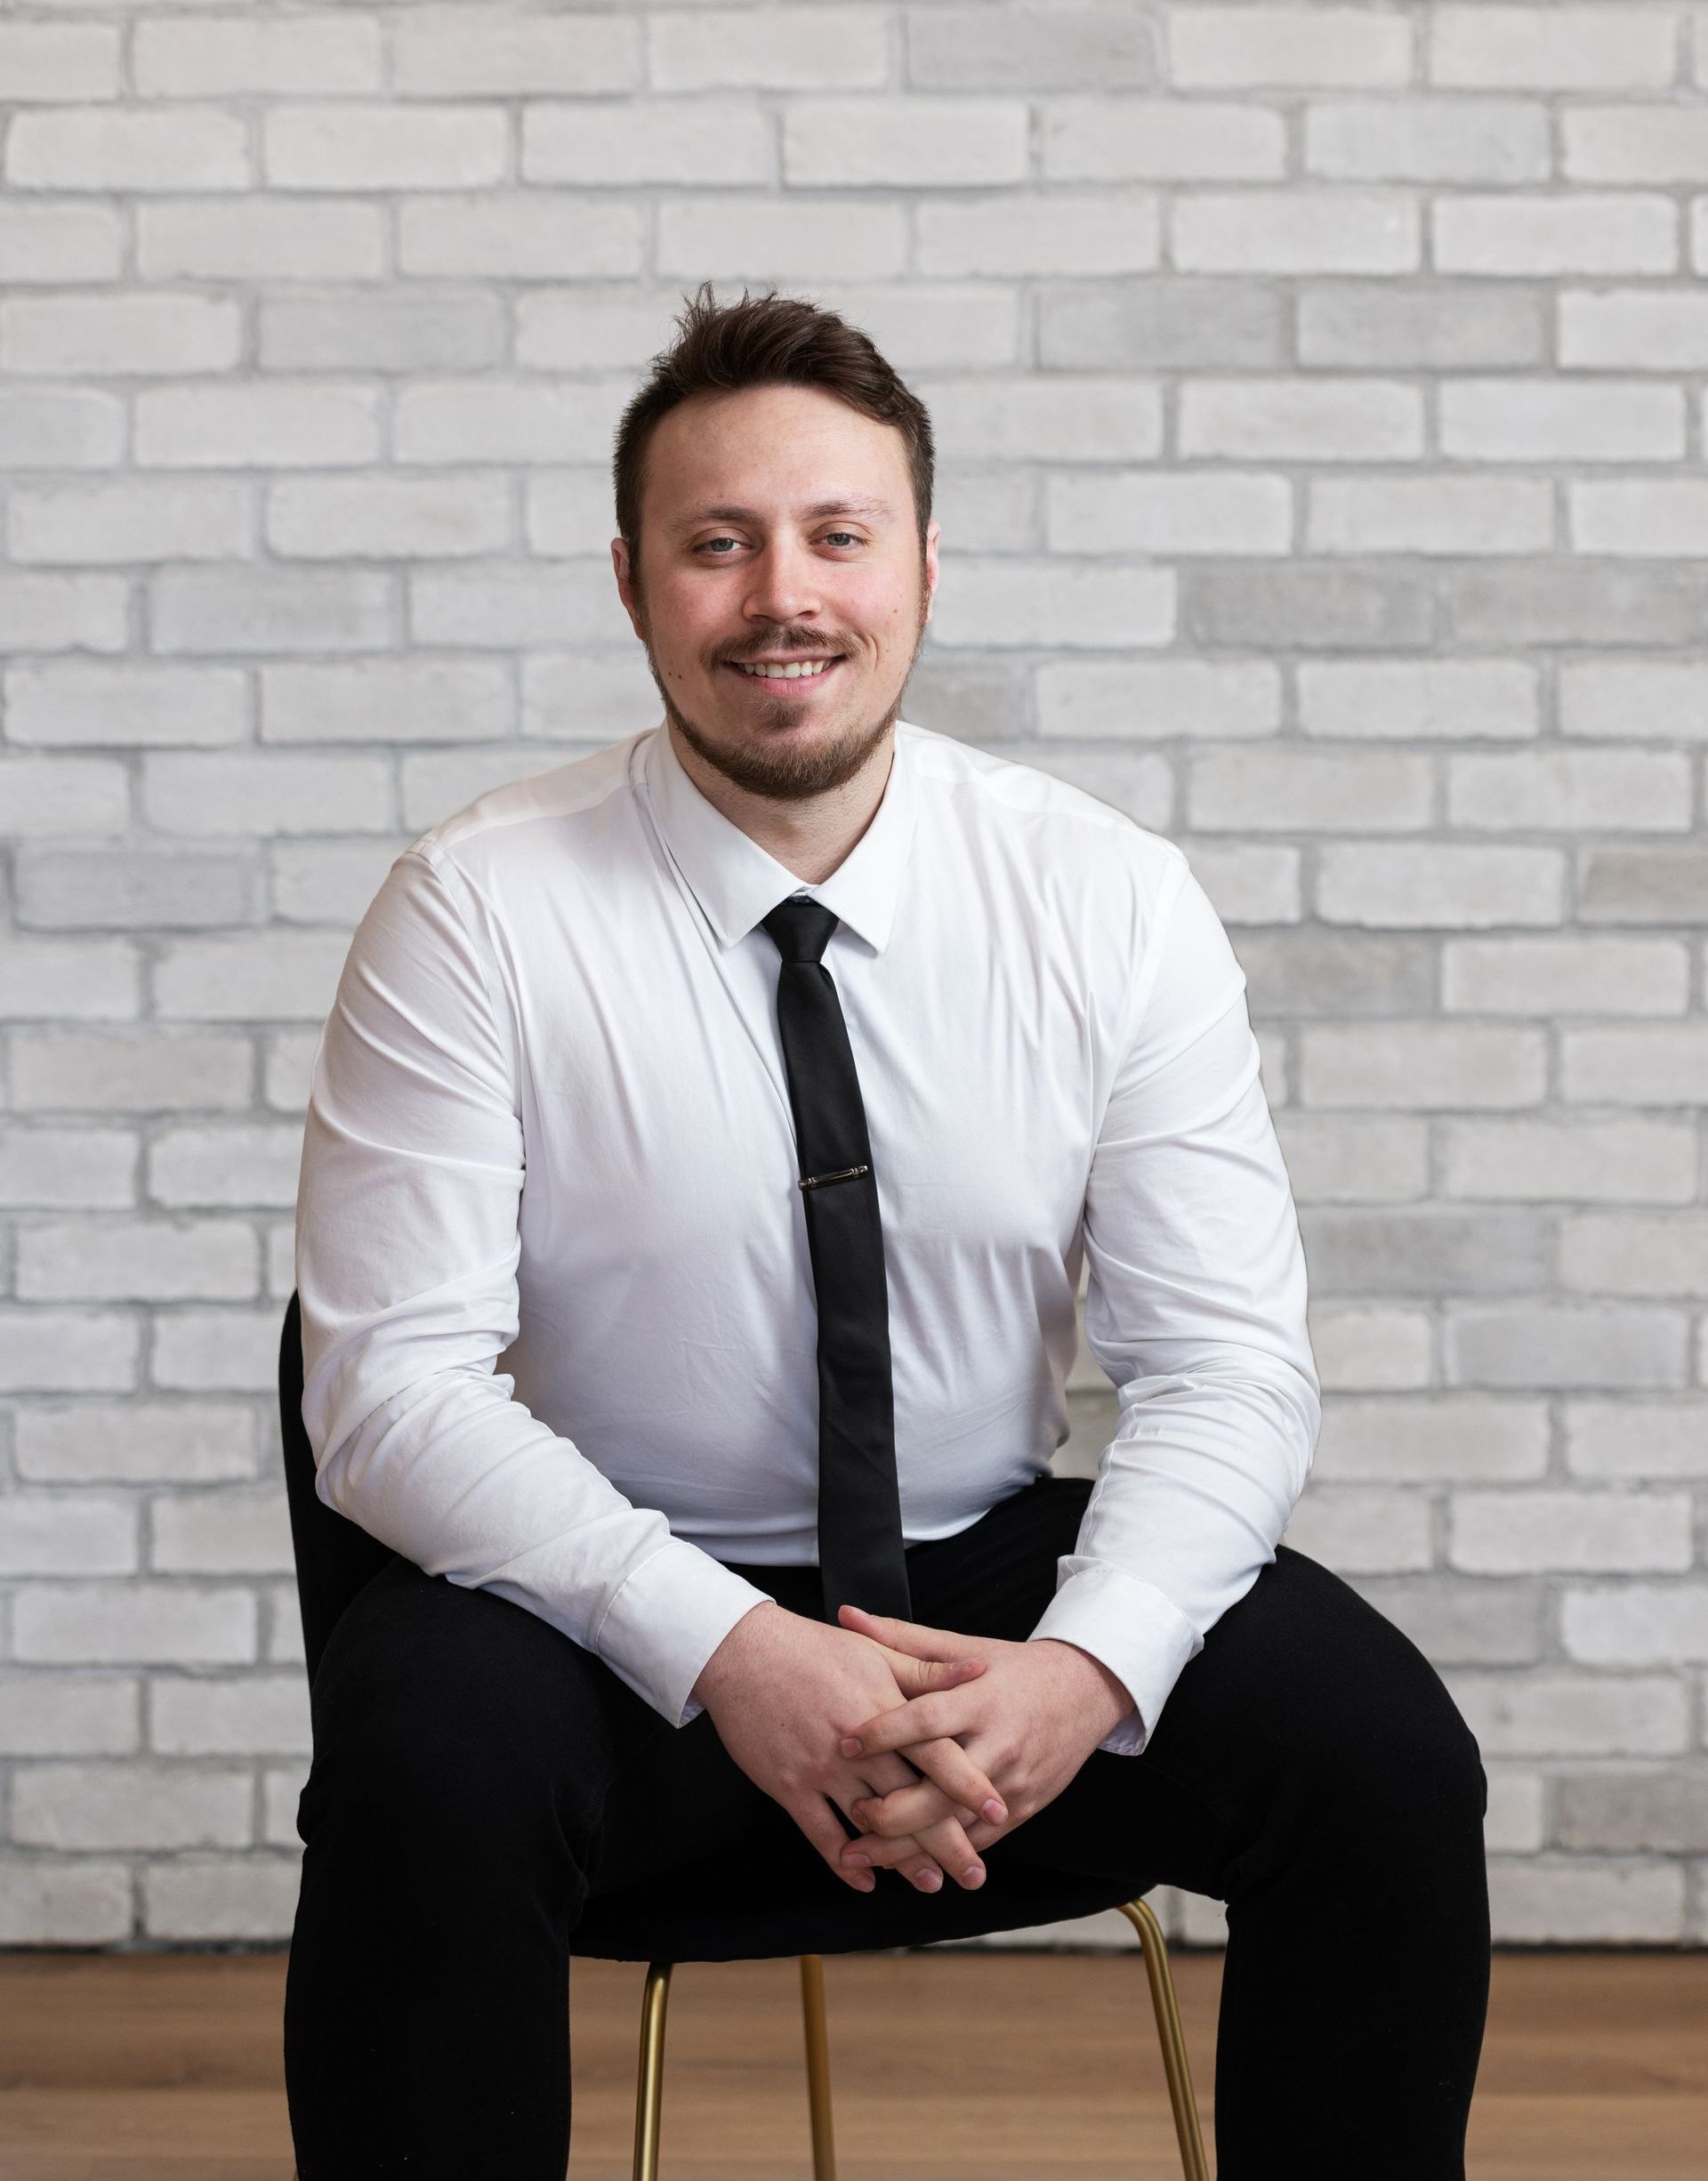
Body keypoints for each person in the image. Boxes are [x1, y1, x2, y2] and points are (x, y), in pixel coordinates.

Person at [283, 284, 1491, 2179]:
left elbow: (1224, 1363)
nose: (785, 592)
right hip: (618, 1612)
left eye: (838, 534)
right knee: (422, 1764)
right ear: (632, 581)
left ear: (927, 562)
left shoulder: (1110, 899)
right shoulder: (474, 910)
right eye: (719, 541)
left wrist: (1083, 1668)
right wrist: (736, 1649)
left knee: (1388, 1762)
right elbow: (388, 1392)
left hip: (997, 1593)